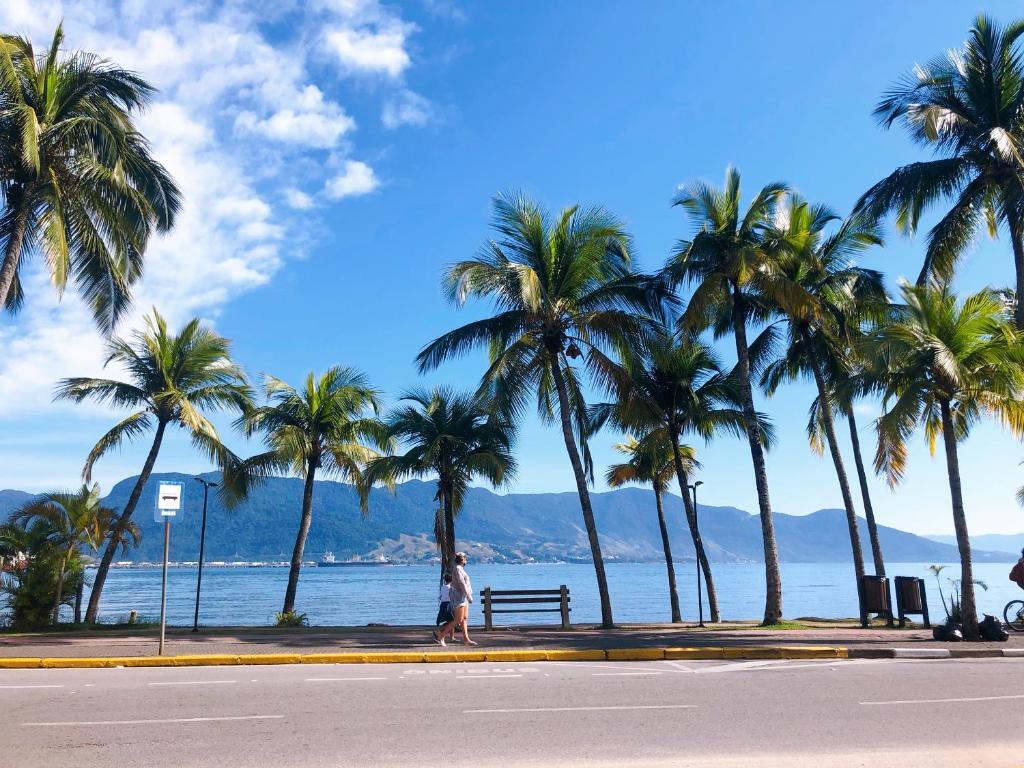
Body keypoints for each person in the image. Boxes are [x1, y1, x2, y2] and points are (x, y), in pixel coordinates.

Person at [434, 552, 477, 646]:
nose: (466, 560)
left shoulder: (460, 569)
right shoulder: (458, 569)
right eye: (465, 559)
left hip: (463, 596)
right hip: (459, 596)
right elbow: (462, 584)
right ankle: (441, 636)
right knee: (458, 619)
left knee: (464, 618)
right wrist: (469, 596)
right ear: (462, 560)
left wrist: (467, 595)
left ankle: (466, 639)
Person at [435, 572, 454, 641]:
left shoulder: (443, 587)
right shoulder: (450, 588)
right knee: (452, 621)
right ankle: (439, 630)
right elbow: (452, 597)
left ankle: (452, 637)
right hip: (449, 604)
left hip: (443, 604)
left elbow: (440, 597)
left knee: (450, 620)